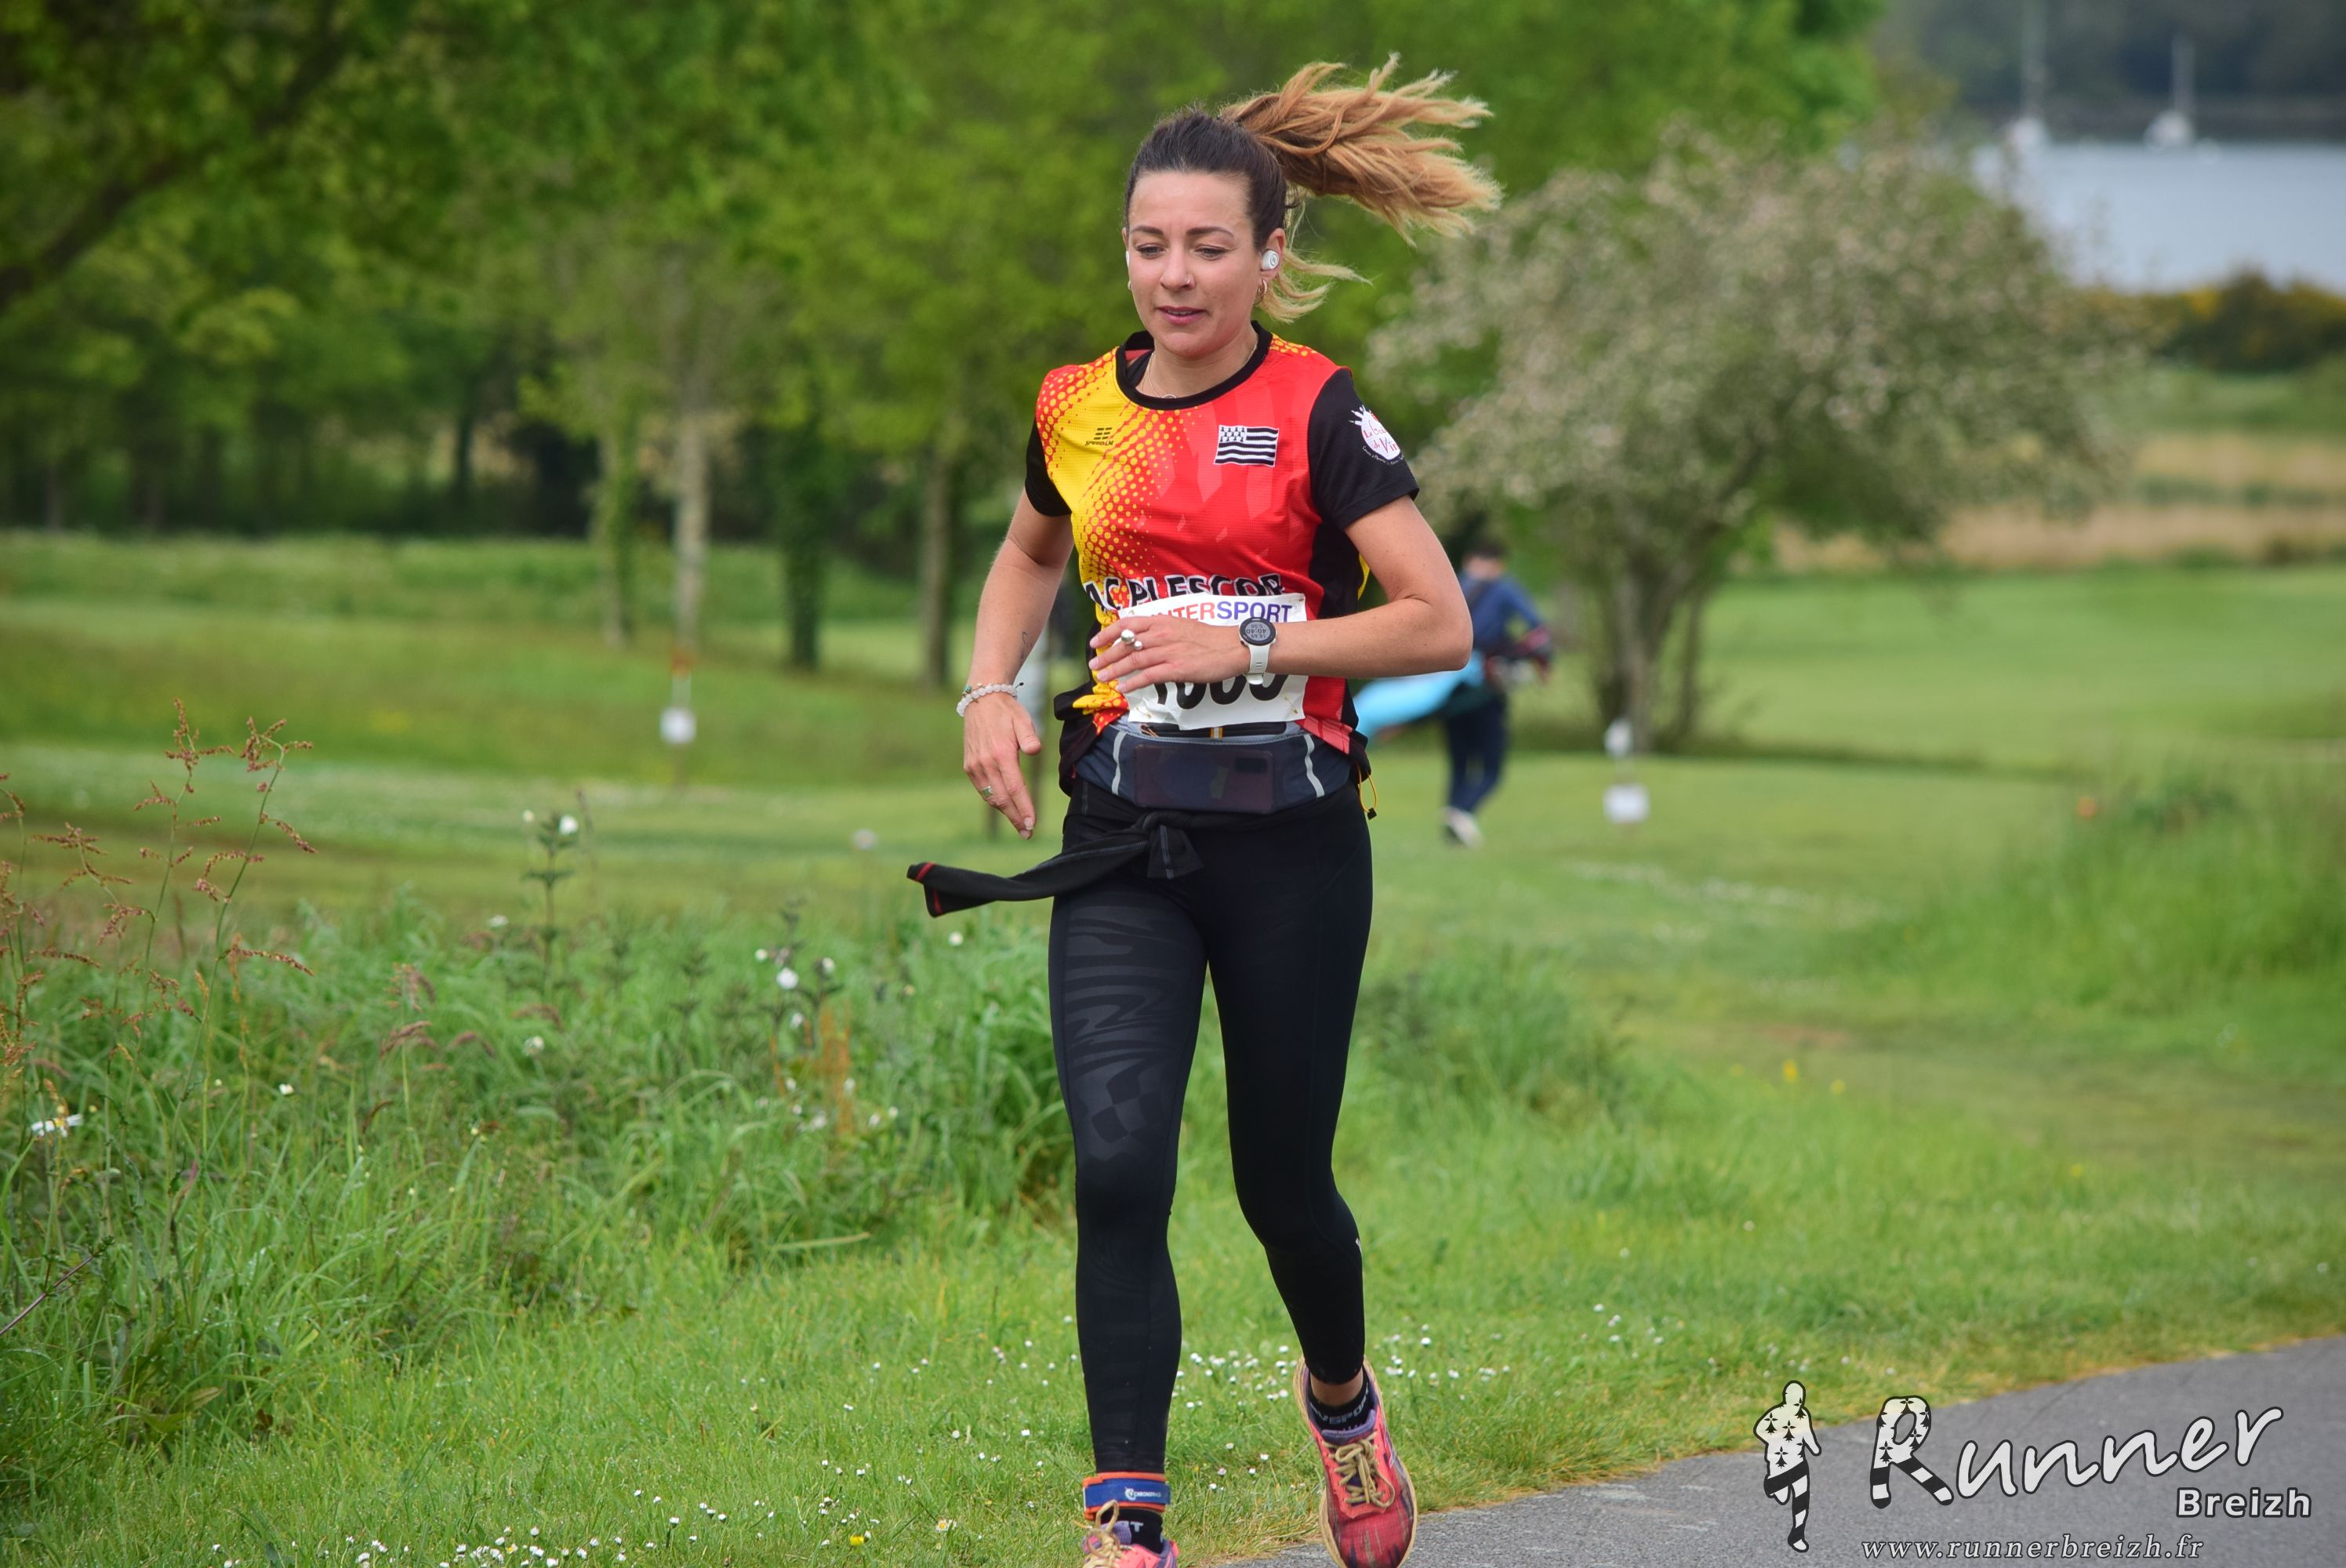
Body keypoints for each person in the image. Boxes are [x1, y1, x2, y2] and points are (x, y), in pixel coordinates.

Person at [903, 56, 1498, 1568]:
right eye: (1150, 244)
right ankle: (1127, 1520)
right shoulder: (1077, 408)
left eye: (1209, 247)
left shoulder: (1315, 411)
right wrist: (988, 692)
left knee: (1281, 1185)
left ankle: (1342, 1402)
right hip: (1124, 837)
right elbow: (1028, 555)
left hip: (1291, 844)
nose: (1176, 276)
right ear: (1124, 248)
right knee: (1117, 1166)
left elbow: (1436, 624)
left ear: (1269, 255)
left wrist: (1250, 644)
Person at [1436, 537, 1550, 848]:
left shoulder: (1450, 585)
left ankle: (1454, 814)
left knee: (1459, 759)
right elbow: (1537, 629)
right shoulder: (1503, 589)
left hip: (1447, 685)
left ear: (1467, 560)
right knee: (1492, 764)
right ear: (1499, 565)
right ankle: (1463, 811)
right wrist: (1541, 661)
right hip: (1486, 686)